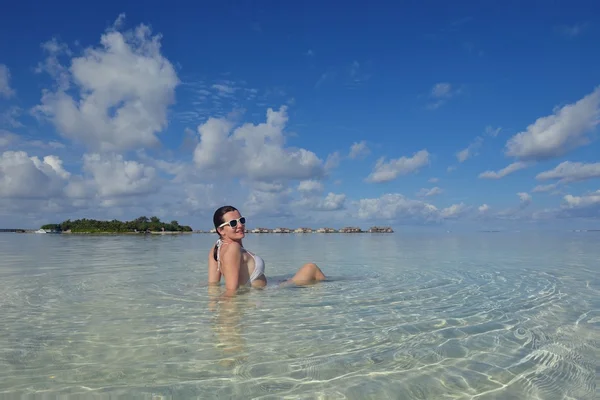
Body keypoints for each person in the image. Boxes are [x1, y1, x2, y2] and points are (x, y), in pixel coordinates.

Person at [208, 205, 326, 296]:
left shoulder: (217, 247)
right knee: (311, 268)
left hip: (268, 286)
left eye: (241, 220)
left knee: (307, 272)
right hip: (268, 292)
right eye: (233, 223)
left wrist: (212, 306)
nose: (240, 225)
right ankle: (330, 301)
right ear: (221, 230)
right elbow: (231, 290)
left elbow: (213, 285)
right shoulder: (233, 248)